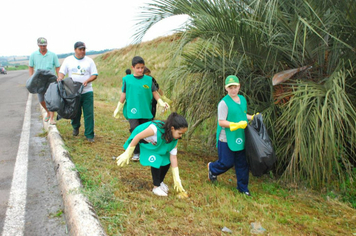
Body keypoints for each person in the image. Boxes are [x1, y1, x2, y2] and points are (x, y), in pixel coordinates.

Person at [116, 112, 188, 197]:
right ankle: (156, 187)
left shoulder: (174, 139)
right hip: (142, 140)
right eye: (180, 133)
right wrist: (128, 152)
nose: (180, 136)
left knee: (166, 159)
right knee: (156, 159)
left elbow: (173, 157)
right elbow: (137, 137)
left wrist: (177, 178)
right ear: (172, 128)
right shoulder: (154, 129)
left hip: (156, 143)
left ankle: (160, 182)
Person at [208, 75, 257, 196]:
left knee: (242, 163)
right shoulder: (223, 103)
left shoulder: (242, 99)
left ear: (239, 86)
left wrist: (253, 117)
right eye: (230, 87)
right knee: (227, 162)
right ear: (226, 88)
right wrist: (235, 125)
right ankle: (212, 168)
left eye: (235, 87)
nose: (233, 90)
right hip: (226, 137)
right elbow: (221, 121)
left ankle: (243, 188)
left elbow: (242, 115)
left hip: (240, 136)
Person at [113, 56, 170, 161]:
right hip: (132, 111)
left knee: (146, 132)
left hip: (145, 111)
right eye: (138, 67)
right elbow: (123, 94)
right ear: (133, 67)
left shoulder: (148, 80)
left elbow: (155, 93)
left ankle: (146, 152)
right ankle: (136, 152)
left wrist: (161, 102)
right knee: (135, 130)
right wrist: (118, 107)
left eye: (142, 68)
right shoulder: (127, 79)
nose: (140, 70)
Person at [57, 42, 98, 142]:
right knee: (75, 112)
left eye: (84, 49)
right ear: (75, 50)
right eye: (80, 49)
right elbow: (62, 72)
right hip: (73, 92)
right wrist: (60, 78)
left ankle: (89, 135)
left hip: (87, 92)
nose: (82, 51)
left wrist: (87, 80)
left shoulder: (89, 61)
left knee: (89, 113)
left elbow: (94, 74)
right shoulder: (68, 60)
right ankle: (75, 127)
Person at [29, 37, 60, 125]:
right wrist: (31, 78)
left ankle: (51, 118)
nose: (43, 47)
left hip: (50, 78)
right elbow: (31, 66)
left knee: (51, 98)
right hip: (39, 79)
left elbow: (57, 66)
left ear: (47, 45)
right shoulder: (33, 55)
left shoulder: (52, 55)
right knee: (41, 99)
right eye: (41, 45)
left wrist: (59, 77)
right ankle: (48, 111)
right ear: (38, 45)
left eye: (44, 45)